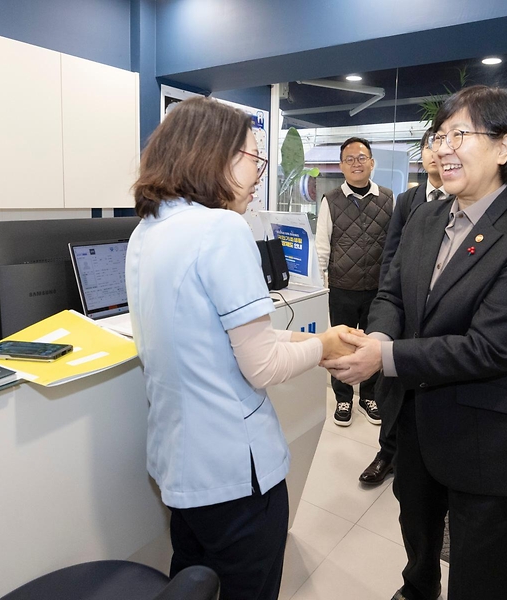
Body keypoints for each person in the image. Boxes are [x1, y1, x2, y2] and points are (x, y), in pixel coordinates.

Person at [324, 85, 507, 600]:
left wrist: (383, 357)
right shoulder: (425, 218)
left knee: (480, 572)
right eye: (438, 136)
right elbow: (391, 293)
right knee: (418, 536)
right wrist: (378, 334)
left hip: (487, 432)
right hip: (415, 418)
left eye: (459, 135)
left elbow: (490, 348)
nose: (442, 149)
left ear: (504, 146)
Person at [126, 96, 352, 600]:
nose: (257, 174)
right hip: (235, 475)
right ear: (216, 156)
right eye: (254, 158)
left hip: (181, 468)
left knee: (193, 583)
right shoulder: (221, 228)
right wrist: (323, 347)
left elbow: (211, 341)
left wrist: (308, 339)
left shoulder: (148, 229)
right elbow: (262, 364)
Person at [359, 128, 449, 486]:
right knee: (393, 386)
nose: (435, 153)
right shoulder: (409, 200)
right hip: (402, 310)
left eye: (442, 144)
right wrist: (388, 303)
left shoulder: (463, 202)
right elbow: (391, 254)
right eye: (429, 145)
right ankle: (387, 452)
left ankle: (421, 458)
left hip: (439, 320)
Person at [316, 137, 394, 427]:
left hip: (377, 289)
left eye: (361, 158)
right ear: (341, 166)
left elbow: (394, 245)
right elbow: (322, 247)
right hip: (341, 288)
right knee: (341, 345)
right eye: (349, 159)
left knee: (372, 343)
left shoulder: (388, 198)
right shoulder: (330, 200)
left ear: (372, 163)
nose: (356, 163)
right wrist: (320, 286)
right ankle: (343, 398)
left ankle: (369, 396)